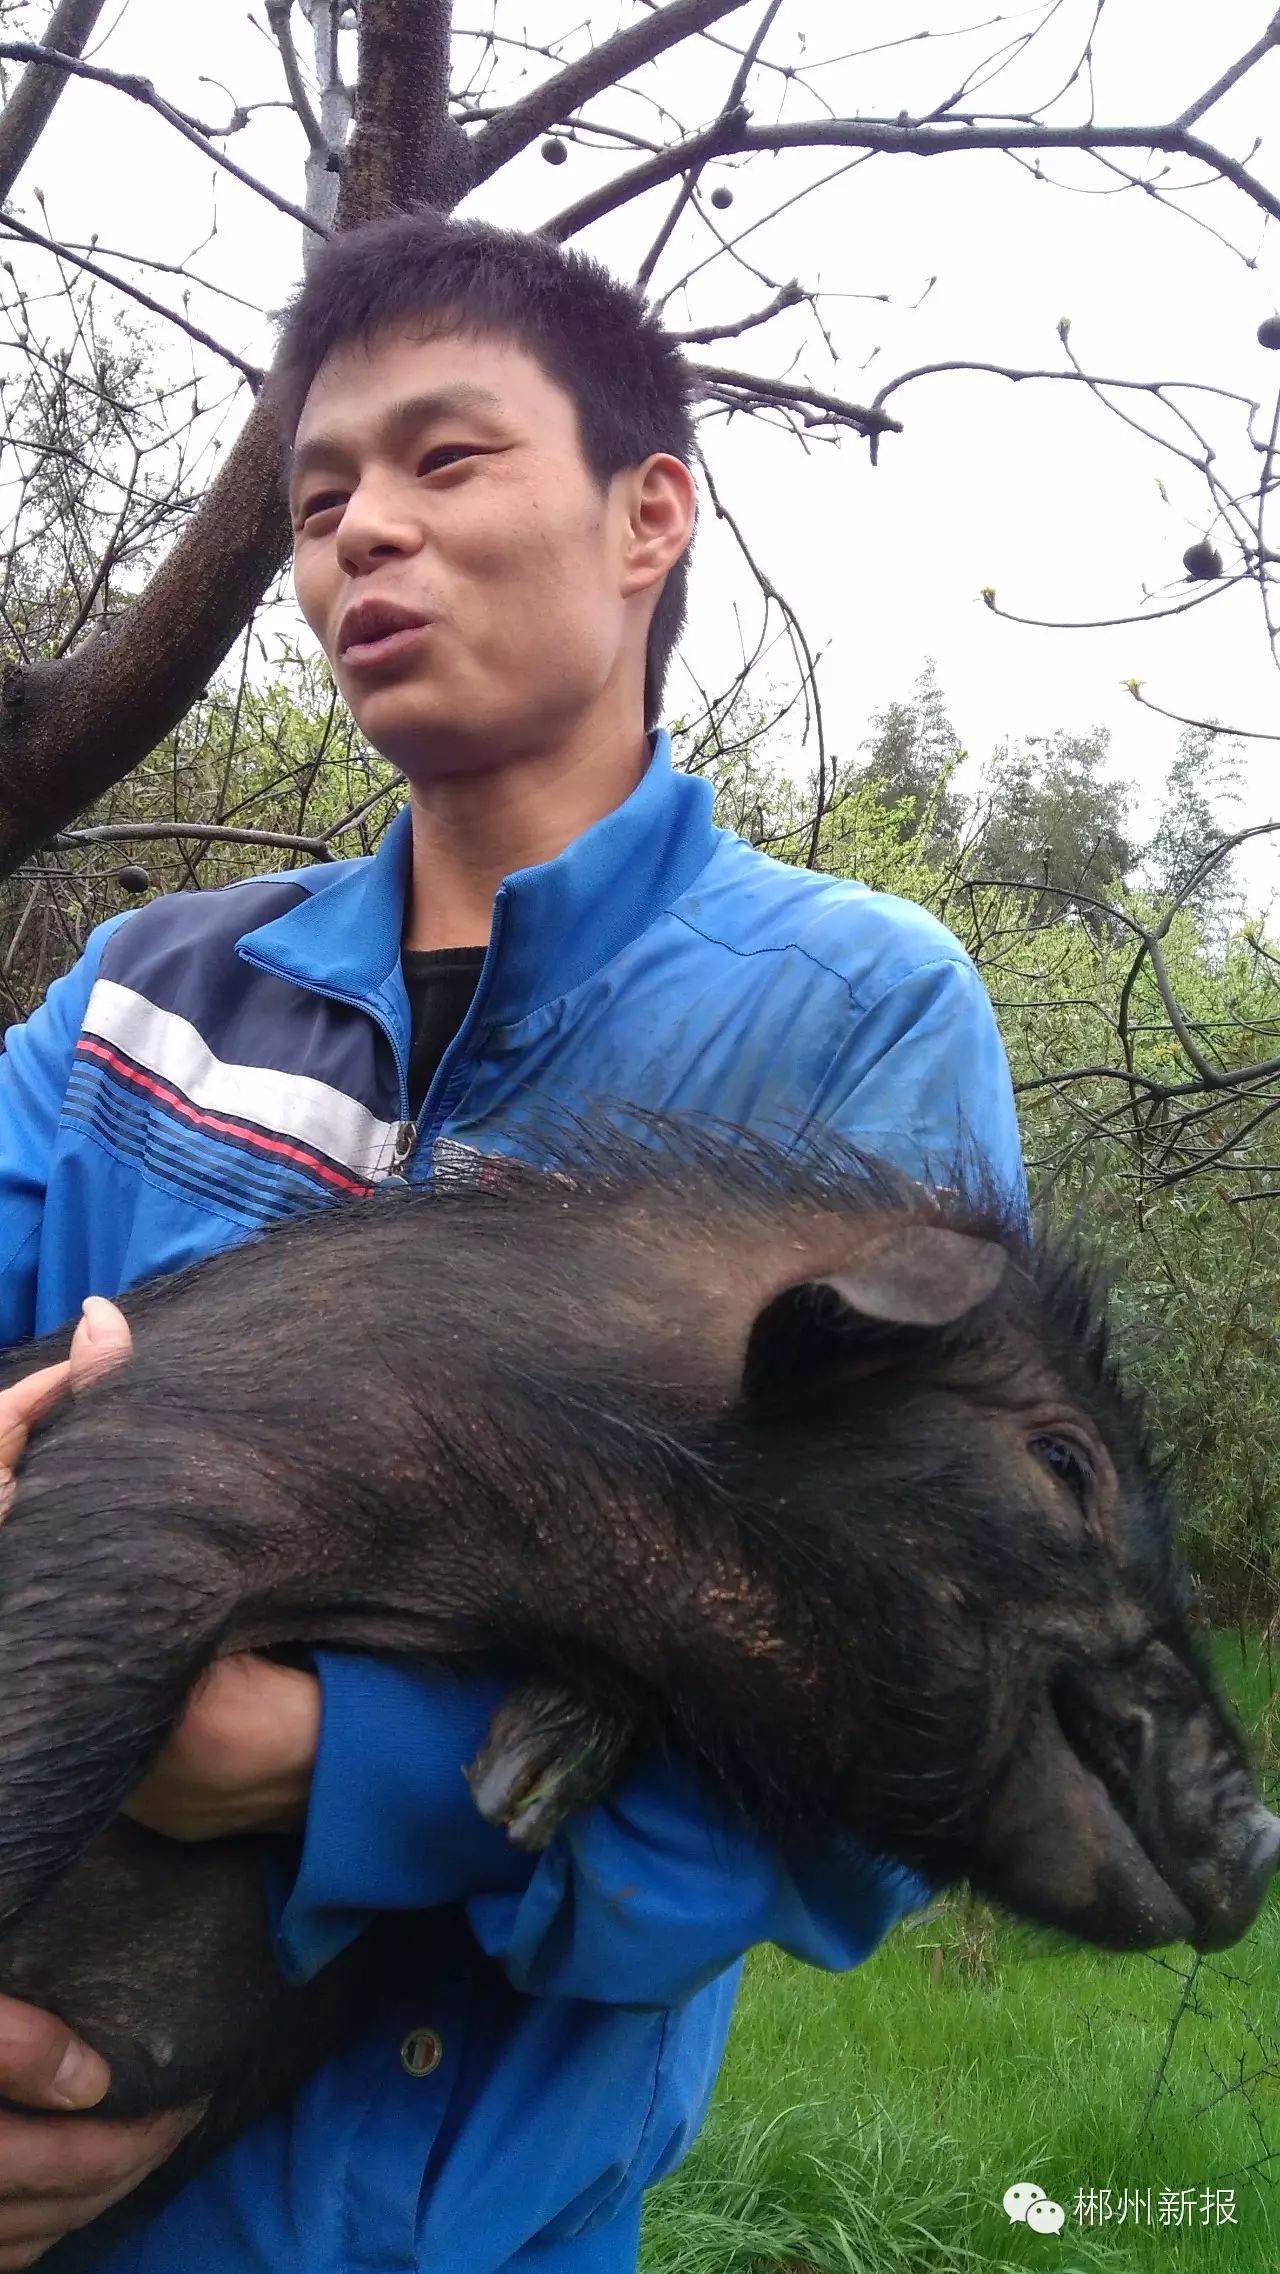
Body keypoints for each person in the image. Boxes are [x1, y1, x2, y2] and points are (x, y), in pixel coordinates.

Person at [0, 212, 1025, 2272]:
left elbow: (904, 1734)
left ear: (649, 513)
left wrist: (336, 1769)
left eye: (445, 461)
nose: (360, 533)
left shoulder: (843, 1033)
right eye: (317, 495)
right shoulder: (137, 1004)